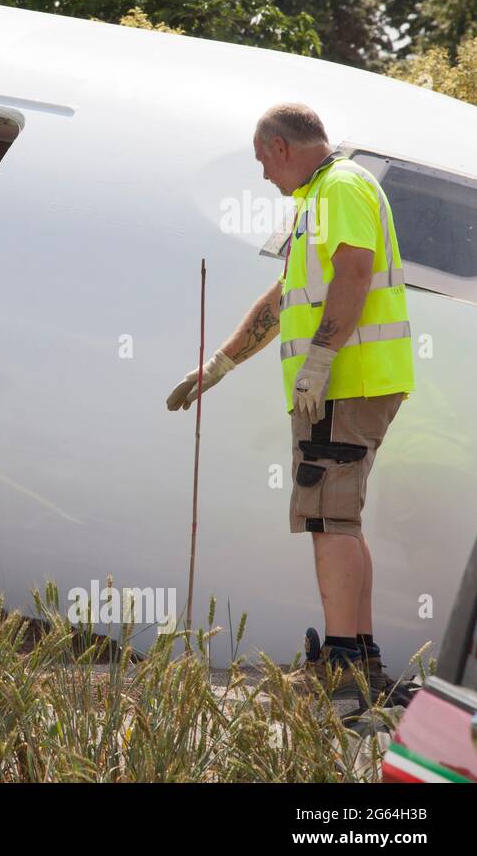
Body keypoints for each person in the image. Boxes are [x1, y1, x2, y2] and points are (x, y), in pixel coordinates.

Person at [165, 103, 414, 702]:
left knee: (328, 520)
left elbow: (355, 271)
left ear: (280, 147)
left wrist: (322, 360)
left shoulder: (340, 188)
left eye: (261, 161)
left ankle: (341, 670)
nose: (263, 178)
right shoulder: (321, 199)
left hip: (346, 385)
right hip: (348, 385)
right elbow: (285, 298)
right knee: (341, 520)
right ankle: (362, 662)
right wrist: (220, 365)